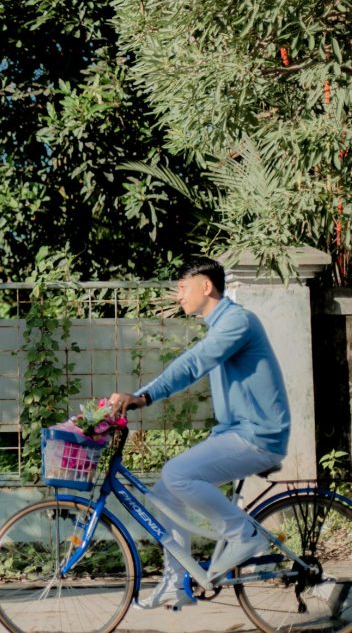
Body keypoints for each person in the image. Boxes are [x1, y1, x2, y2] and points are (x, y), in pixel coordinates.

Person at [109, 257, 290, 610]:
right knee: (165, 491)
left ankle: (245, 534)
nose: (178, 296)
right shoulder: (221, 324)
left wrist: (144, 396)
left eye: (182, 287)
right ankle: (178, 582)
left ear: (206, 286)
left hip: (259, 435)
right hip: (236, 433)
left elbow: (194, 363)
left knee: (177, 473)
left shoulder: (237, 321)